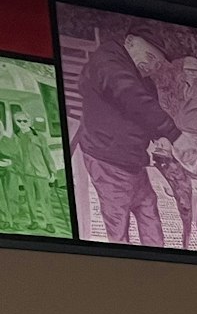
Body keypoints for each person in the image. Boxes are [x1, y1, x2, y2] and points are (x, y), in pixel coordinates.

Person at [73, 30, 181, 246]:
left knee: (148, 209)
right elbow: (130, 94)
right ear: (130, 42)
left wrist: (160, 136)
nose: (151, 66)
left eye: (157, 64)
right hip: (108, 159)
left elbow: (146, 114)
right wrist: (173, 133)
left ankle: (162, 266)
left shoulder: (144, 82)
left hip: (133, 162)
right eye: (149, 57)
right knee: (117, 222)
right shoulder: (107, 61)